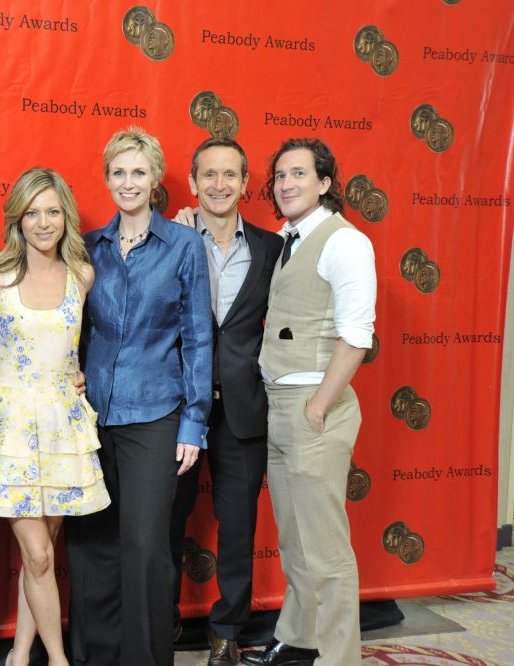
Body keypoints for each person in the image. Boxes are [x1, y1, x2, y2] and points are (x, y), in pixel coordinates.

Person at [64, 127, 214, 666]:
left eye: (139, 172)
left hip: (156, 415)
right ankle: (95, 657)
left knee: (147, 550)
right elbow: (70, 327)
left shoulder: (184, 245)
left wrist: (193, 423)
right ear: (106, 179)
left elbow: (198, 337)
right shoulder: (86, 247)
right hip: (91, 418)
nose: (129, 182)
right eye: (119, 172)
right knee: (91, 547)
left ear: (155, 181)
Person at [240, 138, 376, 666]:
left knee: (325, 548)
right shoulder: (287, 237)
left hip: (312, 403)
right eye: (279, 176)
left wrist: (319, 406)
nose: (286, 184)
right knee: (295, 539)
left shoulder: (345, 242)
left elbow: (357, 335)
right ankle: (300, 638)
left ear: (325, 182)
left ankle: (340, 657)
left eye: (299, 174)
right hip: (278, 403)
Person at [0, 168, 111, 666]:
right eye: (32, 212)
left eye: (52, 211)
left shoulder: (82, 274)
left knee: (45, 557)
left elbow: (100, 342)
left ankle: (18, 654)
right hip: (11, 426)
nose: (43, 222)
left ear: (66, 216)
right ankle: (57, 660)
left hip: (63, 425)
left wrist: (84, 375)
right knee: (36, 556)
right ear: (18, 218)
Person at [169, 138, 283, 666]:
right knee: (166, 520)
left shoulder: (271, 248)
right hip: (175, 407)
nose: (218, 185)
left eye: (230, 175)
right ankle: (161, 619)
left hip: (242, 408)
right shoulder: (169, 238)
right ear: (192, 183)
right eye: (208, 175)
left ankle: (227, 633)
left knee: (238, 526)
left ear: (244, 184)